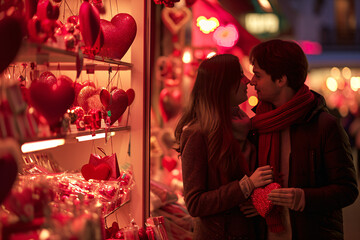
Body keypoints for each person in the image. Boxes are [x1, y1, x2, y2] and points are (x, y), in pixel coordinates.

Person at [247, 39, 359, 240]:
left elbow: (347, 189)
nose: (252, 82)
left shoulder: (324, 125)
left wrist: (303, 198)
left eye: (258, 75)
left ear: (281, 79)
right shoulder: (258, 126)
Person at [175, 54, 273, 240]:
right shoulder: (198, 134)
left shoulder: (246, 126)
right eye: (239, 75)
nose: (247, 81)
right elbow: (195, 203)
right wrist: (246, 185)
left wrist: (256, 201)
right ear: (223, 84)